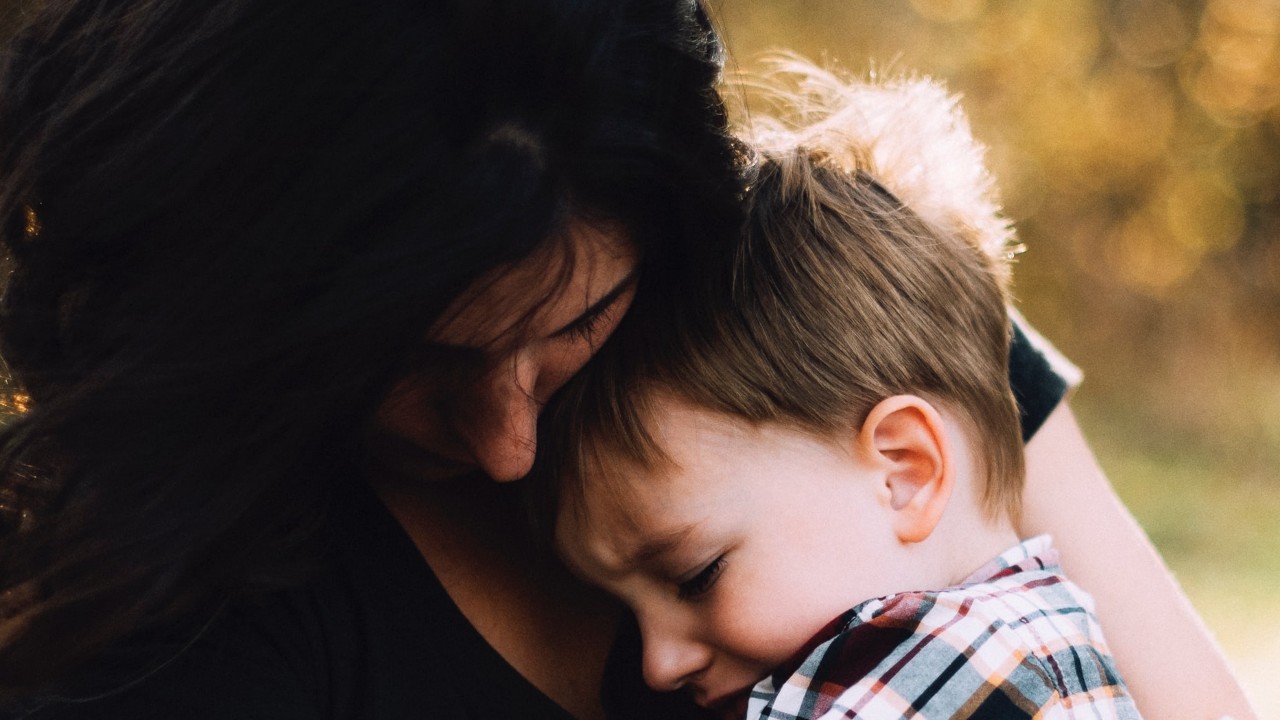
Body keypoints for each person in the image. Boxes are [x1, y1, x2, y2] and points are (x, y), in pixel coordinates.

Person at [0, 1, 1254, 719]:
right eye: (418, 362)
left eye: (571, 330)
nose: (508, 443)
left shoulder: (814, 331)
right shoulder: (175, 626)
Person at [536, 74, 1139, 718]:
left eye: (697, 575)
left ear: (905, 470)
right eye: (627, 613)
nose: (657, 664)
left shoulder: (948, 675)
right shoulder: (1027, 645)